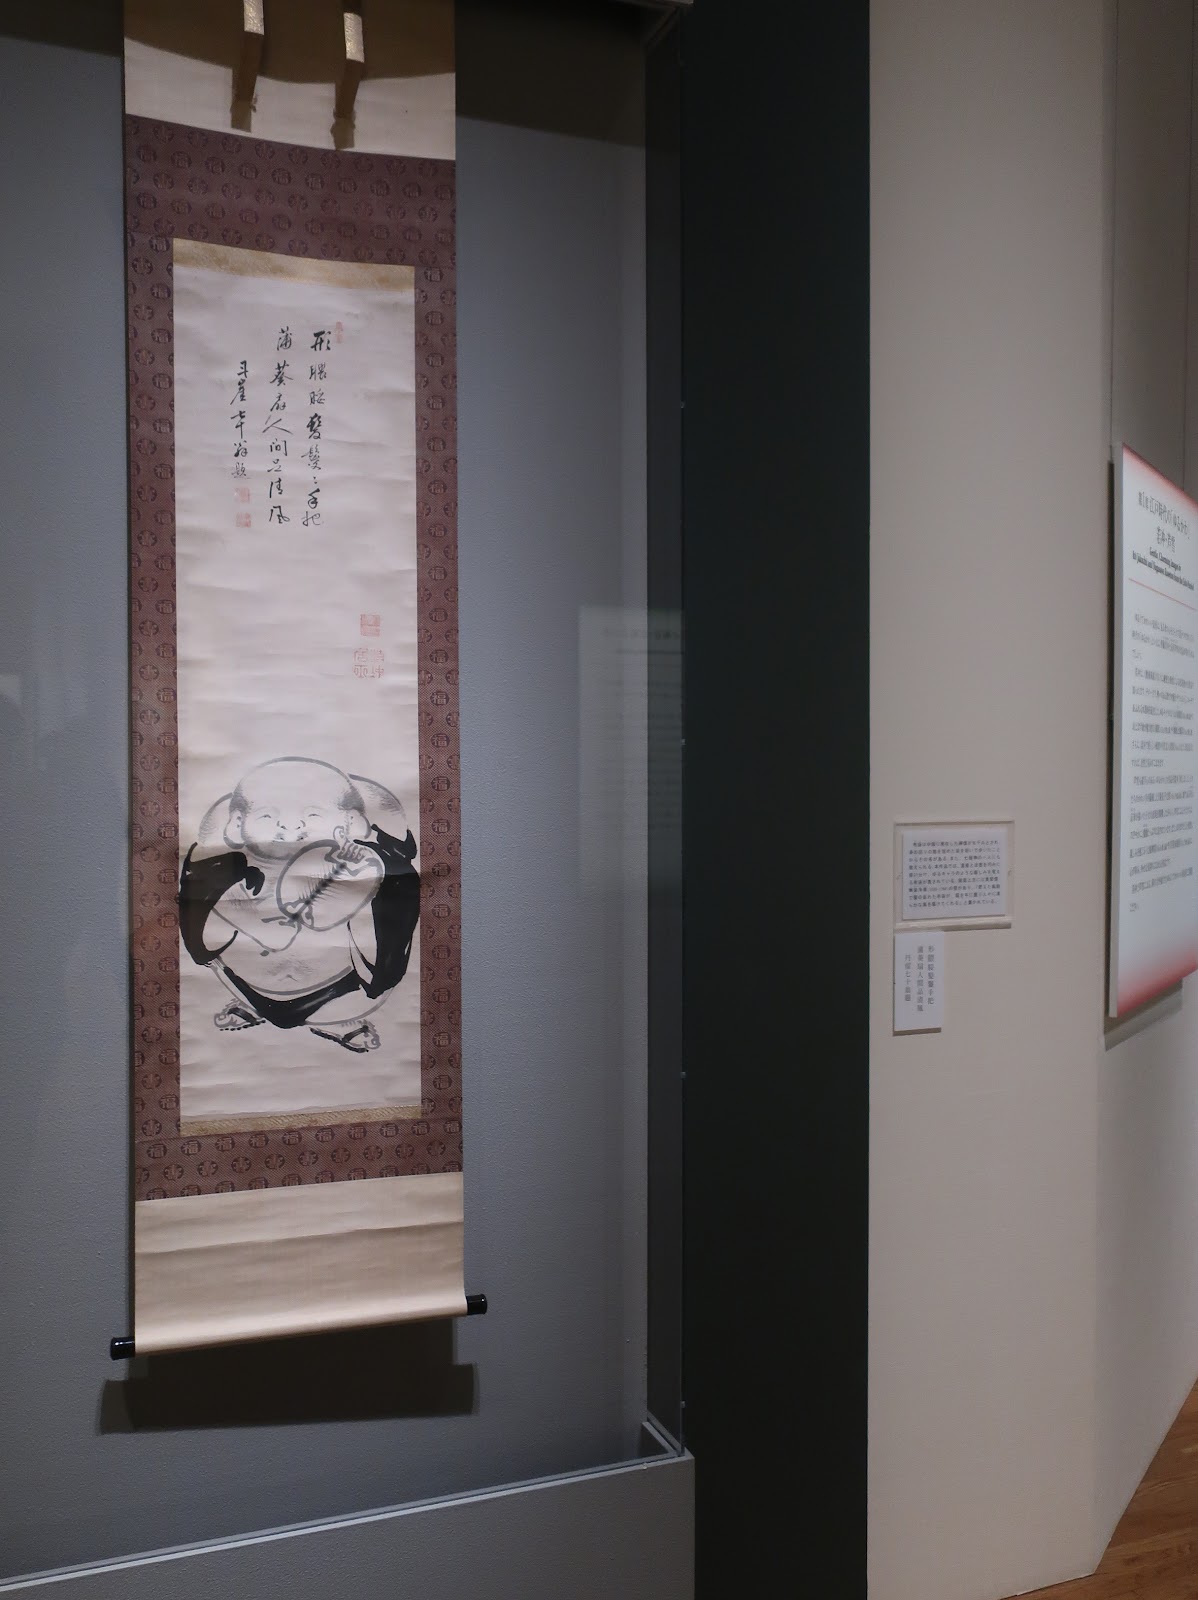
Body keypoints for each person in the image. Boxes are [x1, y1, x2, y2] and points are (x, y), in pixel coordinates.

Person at [178, 757, 419, 1052]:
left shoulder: (362, 870)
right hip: (246, 985)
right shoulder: (227, 869)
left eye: (313, 814)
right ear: (237, 824)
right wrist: (243, 912)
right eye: (267, 816)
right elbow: (202, 942)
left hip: (338, 993)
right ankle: (253, 1006)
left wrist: (368, 883)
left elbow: (387, 948)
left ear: (351, 822)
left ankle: (337, 1022)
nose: (290, 826)